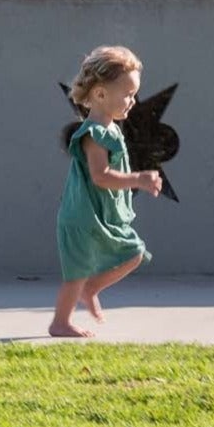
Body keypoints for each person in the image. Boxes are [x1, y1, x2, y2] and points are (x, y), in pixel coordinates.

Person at [49, 44, 162, 339]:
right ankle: (60, 322)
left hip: (100, 216)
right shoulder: (94, 134)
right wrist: (138, 179)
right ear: (100, 94)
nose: (133, 101)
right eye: (128, 94)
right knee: (77, 273)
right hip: (82, 216)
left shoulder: (110, 129)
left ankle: (91, 289)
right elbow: (100, 177)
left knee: (133, 253)